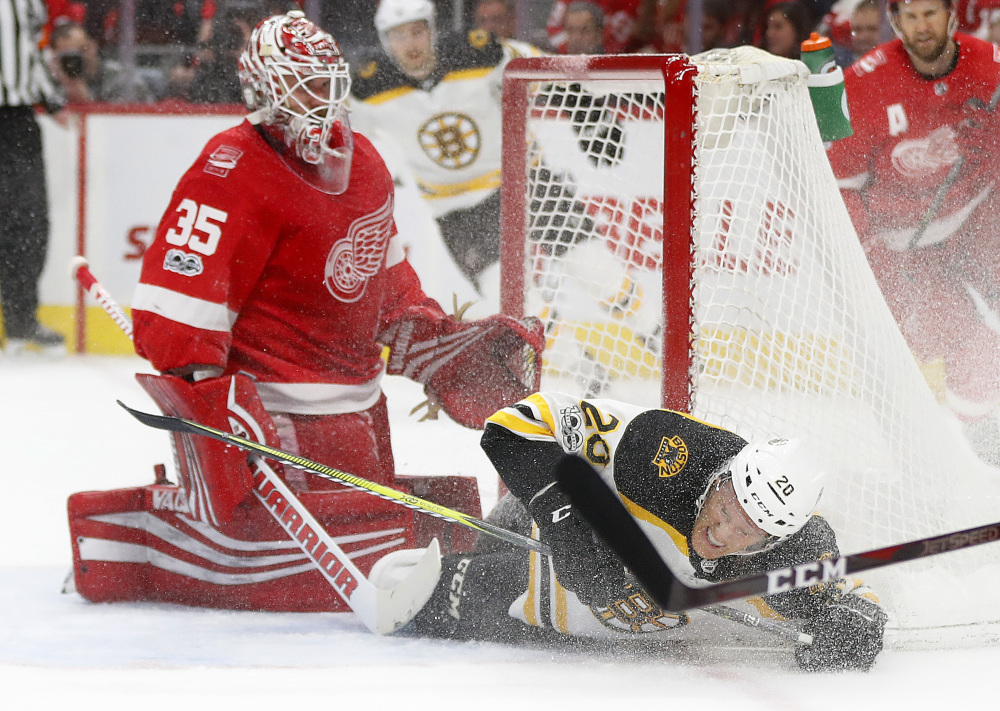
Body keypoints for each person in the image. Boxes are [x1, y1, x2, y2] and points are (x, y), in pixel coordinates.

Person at [132, 10, 543, 510]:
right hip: (272, 413)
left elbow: (385, 283)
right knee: (372, 551)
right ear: (263, 92)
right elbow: (179, 300)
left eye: (327, 86)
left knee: (397, 540)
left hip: (362, 407)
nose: (322, 105)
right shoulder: (231, 167)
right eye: (303, 87)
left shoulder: (364, 161)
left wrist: (428, 339)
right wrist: (213, 404)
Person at [370, 392, 888, 672]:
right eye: (725, 506)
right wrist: (572, 537)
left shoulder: (791, 556)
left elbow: (850, 598)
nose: (722, 533)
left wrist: (855, 628)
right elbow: (514, 424)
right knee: (419, 602)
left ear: (772, 542)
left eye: (747, 534)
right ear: (723, 474)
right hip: (527, 545)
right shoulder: (661, 451)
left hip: (575, 627)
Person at [825, 0, 1000, 465]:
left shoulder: (990, 67)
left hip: (975, 217)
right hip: (899, 242)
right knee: (949, 339)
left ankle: (984, 436)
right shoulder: (864, 82)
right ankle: (964, 444)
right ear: (896, 23)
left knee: (983, 337)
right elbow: (836, 188)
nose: (923, 27)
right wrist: (866, 246)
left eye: (931, 14)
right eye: (912, 16)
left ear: (953, 17)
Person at [348, 0, 541, 307]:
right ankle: (559, 354)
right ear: (385, 41)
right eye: (398, 36)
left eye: (417, 31)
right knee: (508, 300)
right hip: (458, 212)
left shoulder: (476, 52)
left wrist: (593, 119)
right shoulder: (367, 89)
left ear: (433, 30)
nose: (410, 44)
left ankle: (648, 329)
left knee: (594, 264)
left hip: (525, 183)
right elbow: (343, 145)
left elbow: (541, 64)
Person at [0, 0, 67, 354]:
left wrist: (53, 101)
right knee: (24, 222)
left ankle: (21, 322)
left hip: (17, 121)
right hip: (16, 120)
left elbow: (32, 46)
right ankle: (20, 322)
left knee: (27, 223)